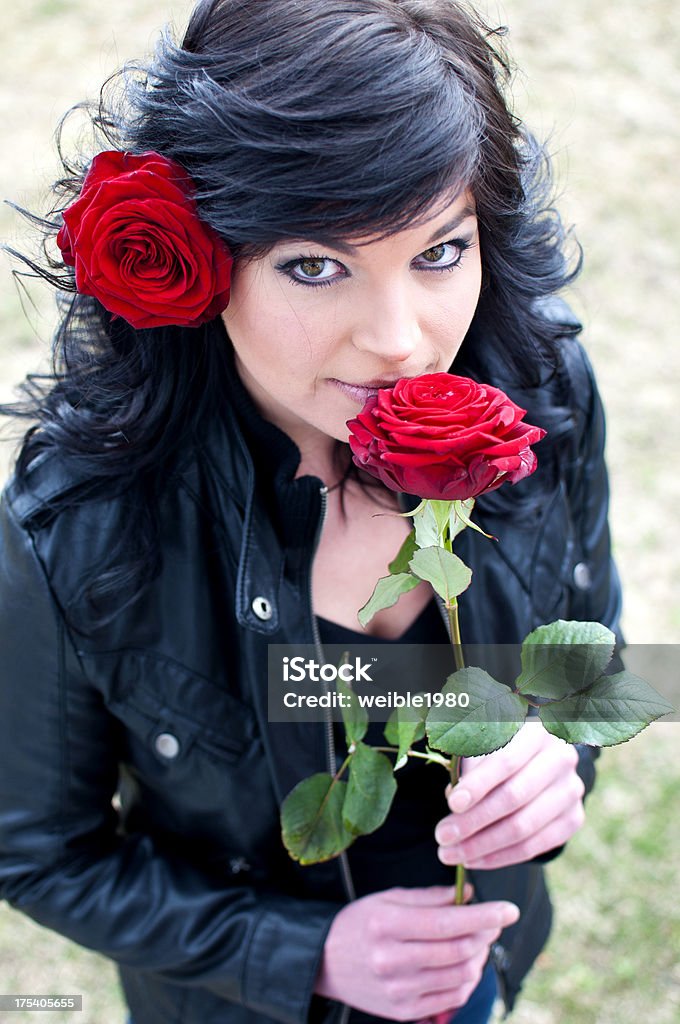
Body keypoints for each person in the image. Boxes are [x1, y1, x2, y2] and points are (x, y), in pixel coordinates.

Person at [0, 1, 622, 1022]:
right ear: (199, 264)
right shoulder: (82, 525)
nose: (398, 339)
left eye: (437, 251)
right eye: (314, 265)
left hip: (484, 979)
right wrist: (305, 953)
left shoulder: (539, 396)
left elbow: (596, 659)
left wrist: (559, 749)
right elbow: (34, 849)